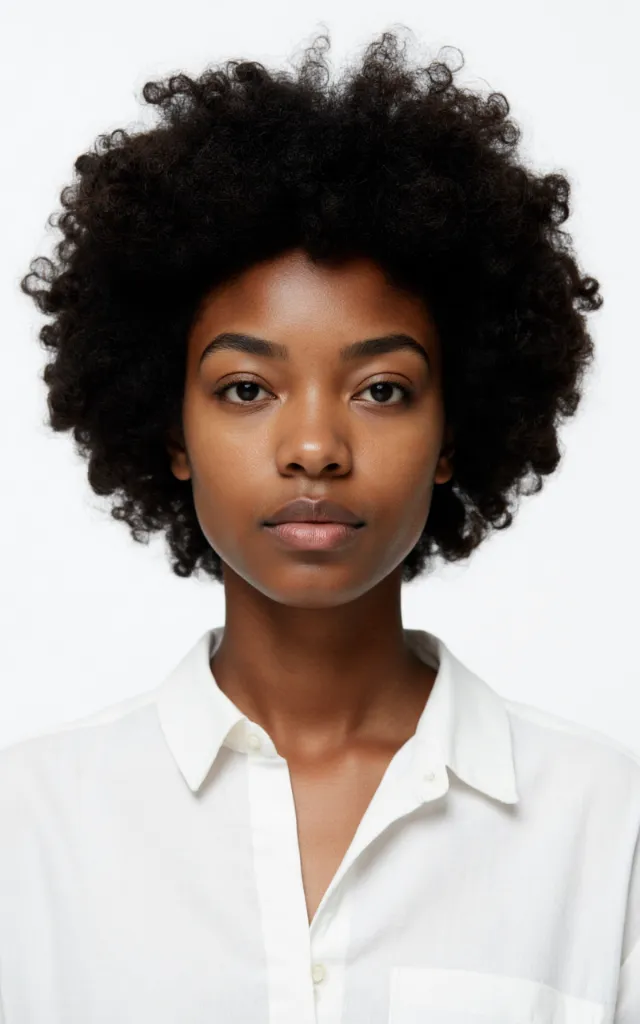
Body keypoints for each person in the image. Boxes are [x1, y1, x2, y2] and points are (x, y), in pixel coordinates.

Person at [2, 26, 637, 1024]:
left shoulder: (603, 823)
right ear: (171, 430)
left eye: (381, 389)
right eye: (246, 387)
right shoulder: (27, 827)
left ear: (450, 432)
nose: (312, 447)